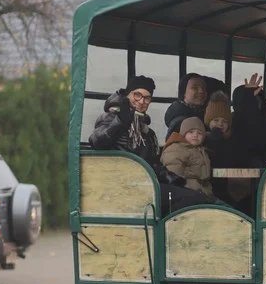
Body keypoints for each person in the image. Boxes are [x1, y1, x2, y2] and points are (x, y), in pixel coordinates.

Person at [88, 76, 208, 213]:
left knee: (194, 197)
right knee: (188, 199)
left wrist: (175, 180)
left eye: (147, 98)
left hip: (142, 183)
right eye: (137, 95)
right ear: (128, 94)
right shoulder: (110, 117)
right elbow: (96, 142)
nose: (141, 101)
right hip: (119, 186)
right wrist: (120, 122)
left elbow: (151, 164)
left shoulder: (145, 130)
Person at [160, 117, 215, 199]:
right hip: (188, 194)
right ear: (183, 133)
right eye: (191, 132)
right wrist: (186, 189)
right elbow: (173, 173)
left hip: (204, 193)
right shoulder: (176, 149)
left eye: (199, 133)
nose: (195, 135)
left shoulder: (202, 151)